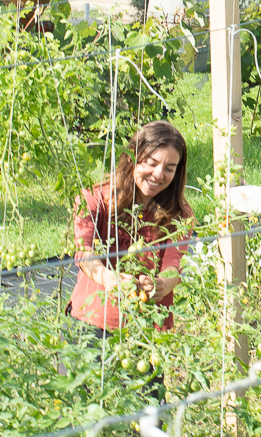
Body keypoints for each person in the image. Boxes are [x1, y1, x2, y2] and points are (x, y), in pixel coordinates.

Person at [69, 120, 193, 341]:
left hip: (148, 332)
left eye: (169, 168)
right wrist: (108, 278)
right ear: (131, 158)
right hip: (91, 325)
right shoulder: (96, 198)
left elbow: (174, 265)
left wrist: (160, 285)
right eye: (151, 163)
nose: (158, 174)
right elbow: (84, 252)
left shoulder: (179, 213)